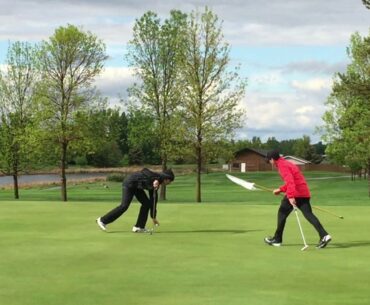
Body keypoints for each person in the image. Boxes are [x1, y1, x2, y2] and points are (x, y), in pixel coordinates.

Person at [264, 149, 332, 249]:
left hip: (296, 193)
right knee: (309, 215)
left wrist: (290, 196)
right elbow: (294, 181)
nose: (269, 162)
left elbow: (291, 182)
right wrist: (280, 189)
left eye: (269, 160)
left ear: (273, 159)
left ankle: (277, 240)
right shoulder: (287, 163)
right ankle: (324, 235)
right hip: (303, 192)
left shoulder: (282, 166)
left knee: (282, 213)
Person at [96, 168, 175, 232]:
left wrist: (153, 217)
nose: (169, 183)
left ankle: (139, 227)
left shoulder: (158, 182)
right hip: (129, 183)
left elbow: (153, 199)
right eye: (170, 181)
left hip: (137, 187)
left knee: (146, 204)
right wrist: (152, 181)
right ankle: (102, 220)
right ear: (166, 179)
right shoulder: (155, 177)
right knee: (124, 206)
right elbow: (145, 170)